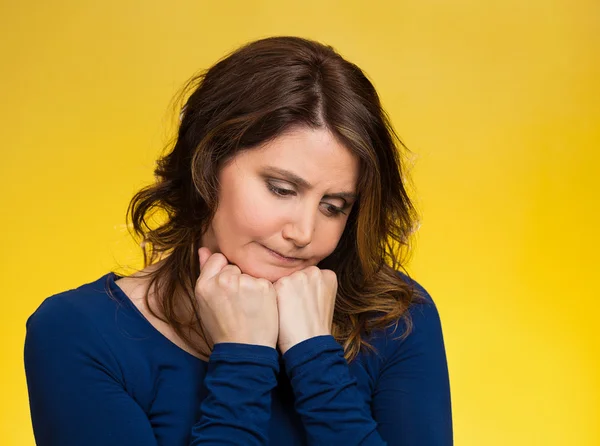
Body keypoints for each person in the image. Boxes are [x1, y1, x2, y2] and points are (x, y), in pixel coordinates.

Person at [24, 36, 453, 445]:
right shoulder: (79, 334)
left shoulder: (394, 318)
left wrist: (316, 361)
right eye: (282, 189)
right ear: (206, 165)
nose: (303, 233)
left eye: (333, 206)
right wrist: (243, 361)